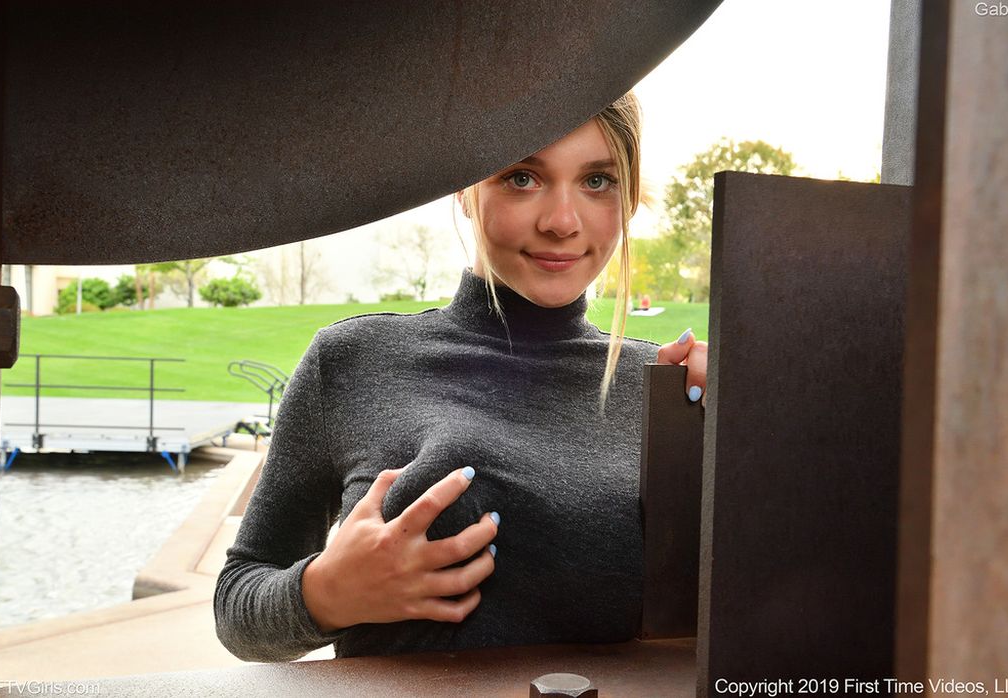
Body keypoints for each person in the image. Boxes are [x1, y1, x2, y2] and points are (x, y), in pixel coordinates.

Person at [213, 91, 708, 661]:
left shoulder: (669, 389)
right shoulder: (350, 360)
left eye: (598, 181)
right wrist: (328, 594)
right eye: (522, 177)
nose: (562, 223)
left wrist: (748, 431)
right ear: (464, 188)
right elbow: (238, 606)